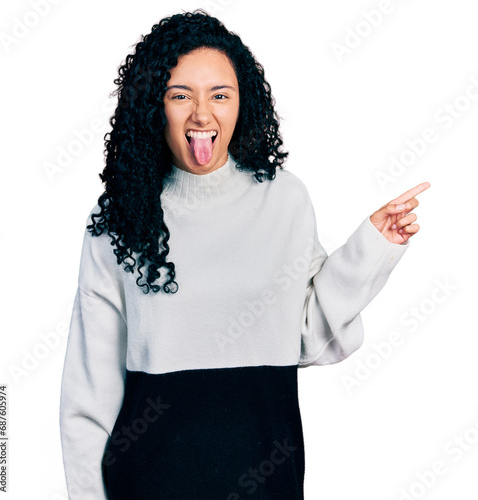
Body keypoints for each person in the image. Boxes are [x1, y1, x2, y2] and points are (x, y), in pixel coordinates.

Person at [59, 9, 430, 500]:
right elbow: (90, 390)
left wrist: (373, 248)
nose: (202, 115)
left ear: (242, 102)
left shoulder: (282, 199)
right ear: (153, 105)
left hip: (266, 484)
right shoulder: (119, 217)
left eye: (219, 95)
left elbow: (310, 338)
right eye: (180, 95)